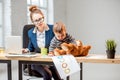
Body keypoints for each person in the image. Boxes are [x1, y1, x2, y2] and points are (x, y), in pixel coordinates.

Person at [23, 5, 61, 80]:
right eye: (36, 20)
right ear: (33, 22)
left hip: (50, 60)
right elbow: (31, 47)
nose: (39, 22)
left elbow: (59, 44)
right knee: (48, 74)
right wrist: (26, 50)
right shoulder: (30, 32)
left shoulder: (52, 29)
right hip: (37, 61)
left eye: (40, 19)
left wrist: (54, 52)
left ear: (43, 17)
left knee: (58, 77)